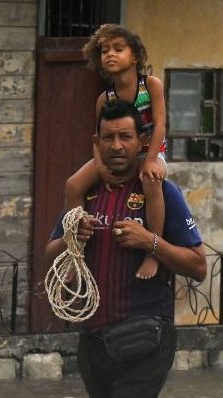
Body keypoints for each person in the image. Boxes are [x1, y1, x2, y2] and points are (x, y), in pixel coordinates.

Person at [46, 100, 206, 398]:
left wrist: (150, 242)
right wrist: (73, 238)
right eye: (109, 137)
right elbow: (49, 255)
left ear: (141, 142)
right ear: (96, 142)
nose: (117, 145)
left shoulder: (162, 192)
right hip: (95, 336)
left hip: (145, 334)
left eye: (126, 137)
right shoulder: (86, 194)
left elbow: (198, 265)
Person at [66, 23, 168, 280]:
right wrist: (101, 168)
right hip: (114, 154)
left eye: (118, 49)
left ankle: (153, 251)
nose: (110, 54)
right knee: (74, 185)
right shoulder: (105, 99)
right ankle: (74, 253)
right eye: (104, 50)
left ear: (134, 56)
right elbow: (98, 138)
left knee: (151, 183)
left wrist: (151, 160)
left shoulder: (150, 85)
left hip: (149, 150)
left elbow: (160, 126)